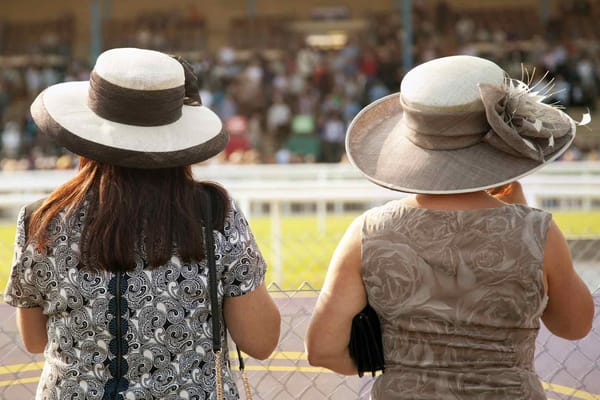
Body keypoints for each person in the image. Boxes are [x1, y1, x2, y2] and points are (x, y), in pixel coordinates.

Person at [305, 55, 594, 399]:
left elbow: (321, 348)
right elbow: (574, 325)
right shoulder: (537, 232)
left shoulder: (367, 233)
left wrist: (404, 369)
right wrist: (518, 212)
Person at [4, 48, 280, 400]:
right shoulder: (213, 214)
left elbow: (33, 339)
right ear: (178, 136)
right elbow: (260, 340)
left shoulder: (40, 219)